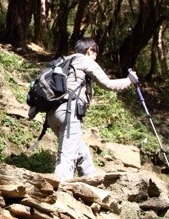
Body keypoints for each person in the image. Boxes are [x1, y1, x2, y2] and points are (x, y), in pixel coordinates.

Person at [46, 37, 138, 182]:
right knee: (67, 157)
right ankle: (59, 188)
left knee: (80, 151)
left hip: (52, 113)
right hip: (69, 112)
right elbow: (107, 84)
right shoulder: (84, 60)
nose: (96, 57)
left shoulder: (65, 61)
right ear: (89, 50)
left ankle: (91, 180)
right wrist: (129, 80)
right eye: (96, 53)